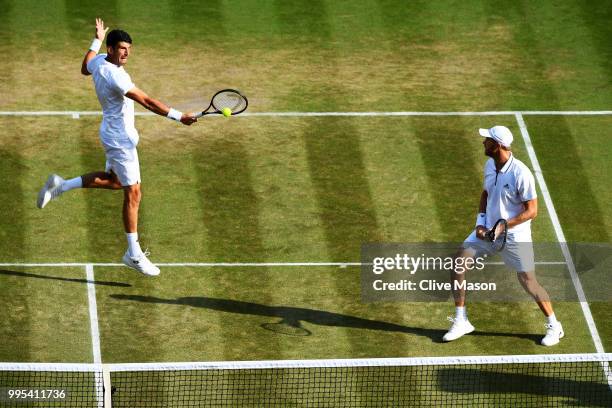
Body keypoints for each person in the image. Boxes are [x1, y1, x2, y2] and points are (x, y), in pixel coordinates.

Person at [36, 18, 197, 276]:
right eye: (122, 48)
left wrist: (97, 39)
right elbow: (146, 100)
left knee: (114, 181)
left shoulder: (99, 61)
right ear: (112, 49)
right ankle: (133, 254)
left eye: (129, 50)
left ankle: (60, 185)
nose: (126, 54)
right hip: (120, 139)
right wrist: (179, 117)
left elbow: (84, 67)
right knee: (133, 193)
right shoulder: (116, 76)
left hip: (112, 134)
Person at [443, 125, 564, 346]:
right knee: (458, 262)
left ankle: (554, 326)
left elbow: (532, 211)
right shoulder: (490, 164)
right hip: (487, 231)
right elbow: (485, 193)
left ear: (497, 145)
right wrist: (481, 222)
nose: (483, 142)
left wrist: (503, 225)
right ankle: (461, 320)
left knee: (528, 281)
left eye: (487, 140)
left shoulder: (521, 173)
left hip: (515, 237)